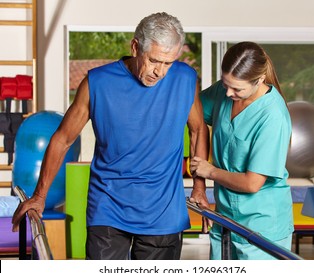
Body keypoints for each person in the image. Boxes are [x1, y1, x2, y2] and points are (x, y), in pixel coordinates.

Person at [12, 12, 210, 260]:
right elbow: (63, 139)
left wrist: (199, 187)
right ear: (136, 46)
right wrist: (39, 196)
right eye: (154, 61)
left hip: (163, 211)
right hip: (108, 208)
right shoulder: (97, 82)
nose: (160, 72)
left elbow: (198, 129)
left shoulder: (185, 79)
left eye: (168, 63)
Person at [190, 41, 294, 260]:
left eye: (237, 88)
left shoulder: (272, 115)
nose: (227, 93)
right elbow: (196, 120)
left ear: (260, 80)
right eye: (225, 83)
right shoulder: (224, 91)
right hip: (225, 217)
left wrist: (209, 172)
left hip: (263, 224)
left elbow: (252, 183)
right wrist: (198, 187)